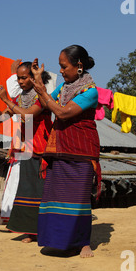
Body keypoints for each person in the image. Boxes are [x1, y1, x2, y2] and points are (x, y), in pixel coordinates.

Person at [31, 45, 101, 258]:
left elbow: (61, 113)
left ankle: (83, 243)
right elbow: (42, 105)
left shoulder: (90, 91)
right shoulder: (62, 88)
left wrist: (43, 91)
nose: (60, 71)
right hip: (60, 148)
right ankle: (59, 242)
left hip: (81, 151)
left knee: (79, 199)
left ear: (78, 66)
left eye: (64, 66)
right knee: (56, 197)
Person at [0, 62, 52, 243]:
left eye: (24, 78)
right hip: (27, 148)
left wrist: (6, 99)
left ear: (33, 78)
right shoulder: (19, 99)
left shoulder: (42, 96)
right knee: (27, 190)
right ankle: (31, 231)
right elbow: (0, 118)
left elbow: (27, 115)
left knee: (41, 191)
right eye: (19, 78)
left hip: (42, 148)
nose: (21, 81)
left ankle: (44, 231)